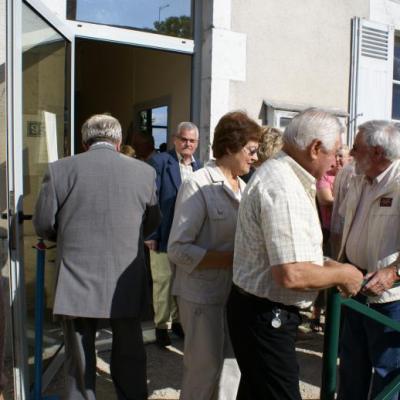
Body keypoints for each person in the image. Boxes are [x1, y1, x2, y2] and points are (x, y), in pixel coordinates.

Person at [227, 108, 364, 400]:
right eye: (334, 152)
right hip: (266, 316)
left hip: (259, 313)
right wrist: (344, 273)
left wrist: (326, 264)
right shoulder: (283, 185)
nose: (336, 163)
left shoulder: (284, 175)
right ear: (315, 148)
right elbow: (291, 273)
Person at [33, 114, 160, 400]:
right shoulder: (144, 172)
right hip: (125, 279)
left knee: (79, 359)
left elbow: (43, 224)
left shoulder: (59, 170)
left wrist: (66, 237)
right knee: (130, 353)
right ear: (118, 143)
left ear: (84, 142)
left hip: (76, 276)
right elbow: (151, 222)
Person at [168, 111, 262, 400]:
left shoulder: (245, 189)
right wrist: (233, 259)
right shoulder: (197, 184)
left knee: (231, 370)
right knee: (203, 371)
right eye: (251, 151)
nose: (255, 158)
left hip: (235, 295)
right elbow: (178, 249)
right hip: (201, 296)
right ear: (231, 146)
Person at [337, 121, 400, 400]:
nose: (350, 153)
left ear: (376, 152)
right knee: (351, 368)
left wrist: (394, 272)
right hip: (354, 289)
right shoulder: (359, 178)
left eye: (356, 147)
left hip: (390, 298)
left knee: (387, 372)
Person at [146, 122, 202, 347]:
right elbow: (150, 199)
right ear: (175, 139)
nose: (187, 144)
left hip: (190, 234)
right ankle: (161, 326)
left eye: (192, 141)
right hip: (164, 231)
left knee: (184, 280)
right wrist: (150, 233)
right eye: (183, 139)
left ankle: (179, 322)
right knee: (163, 281)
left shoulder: (200, 167)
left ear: (197, 143)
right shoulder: (159, 162)